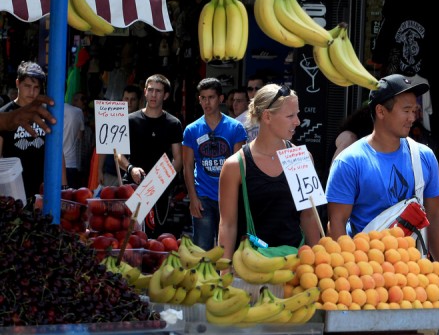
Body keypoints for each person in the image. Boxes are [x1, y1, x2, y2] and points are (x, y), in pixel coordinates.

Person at [326, 74, 439, 270]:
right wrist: (349, 273)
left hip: (413, 275)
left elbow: (435, 215)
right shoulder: (349, 161)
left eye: (414, 110)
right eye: (406, 111)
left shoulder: (424, 156)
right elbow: (336, 222)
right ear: (381, 111)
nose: (413, 118)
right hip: (366, 271)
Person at [219, 84, 321, 261]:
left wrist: (318, 264)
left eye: (297, 114)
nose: (297, 121)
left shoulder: (301, 158)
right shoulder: (235, 165)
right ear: (267, 116)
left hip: (294, 265)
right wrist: (224, 270)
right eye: (290, 116)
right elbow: (227, 225)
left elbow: (309, 216)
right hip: (249, 266)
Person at [182, 78, 247, 249]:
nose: (206, 102)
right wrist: (193, 198)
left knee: (227, 250)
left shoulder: (235, 128)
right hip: (203, 196)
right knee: (202, 250)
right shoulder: (191, 130)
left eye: (211, 97)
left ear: (221, 99)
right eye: (203, 98)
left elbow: (239, 166)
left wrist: (238, 198)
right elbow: (187, 166)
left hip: (229, 195)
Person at [118, 74, 183, 238]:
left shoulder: (173, 123)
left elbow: (178, 158)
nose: (154, 95)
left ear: (166, 95)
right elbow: (118, 154)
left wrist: (160, 181)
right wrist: (131, 169)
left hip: (159, 189)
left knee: (156, 237)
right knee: (130, 236)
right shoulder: (129, 120)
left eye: (158, 91)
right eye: (151, 90)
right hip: (133, 185)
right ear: (145, 92)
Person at [0, 62, 67, 204]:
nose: (32, 92)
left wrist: (64, 186)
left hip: (43, 187)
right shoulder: (5, 115)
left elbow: (57, 151)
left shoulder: (46, 114)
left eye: (36, 87)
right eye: (27, 86)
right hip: (13, 188)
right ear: (18, 83)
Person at [98, 85, 142, 186]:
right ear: (122, 99)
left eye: (133, 99)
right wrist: (99, 171)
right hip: (110, 172)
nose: (129, 103)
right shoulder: (112, 117)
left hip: (133, 174)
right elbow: (104, 147)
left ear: (139, 101)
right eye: (126, 98)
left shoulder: (142, 121)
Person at [62, 101, 85, 188]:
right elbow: (80, 136)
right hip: (70, 163)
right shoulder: (77, 112)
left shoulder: (43, 109)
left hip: (51, 164)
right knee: (68, 198)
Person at [238, 74, 267, 142]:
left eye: (257, 89)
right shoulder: (238, 121)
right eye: (250, 89)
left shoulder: (276, 116)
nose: (254, 92)